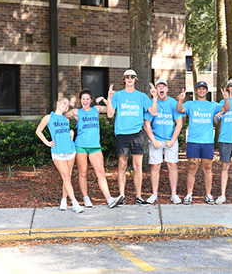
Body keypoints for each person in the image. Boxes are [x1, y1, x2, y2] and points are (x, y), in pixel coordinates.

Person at [65, 89, 124, 209]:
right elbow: (60, 116)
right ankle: (86, 198)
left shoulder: (96, 109)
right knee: (83, 173)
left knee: (101, 172)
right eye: (83, 99)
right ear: (80, 100)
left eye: (87, 99)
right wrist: (67, 106)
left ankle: (109, 199)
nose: (85, 101)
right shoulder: (76, 112)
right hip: (80, 145)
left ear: (91, 100)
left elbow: (112, 110)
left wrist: (105, 99)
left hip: (95, 146)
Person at [107, 69, 158, 206]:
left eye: (132, 76)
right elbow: (110, 114)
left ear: (135, 79)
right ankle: (122, 196)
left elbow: (153, 111)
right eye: (127, 76)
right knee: (122, 165)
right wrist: (110, 99)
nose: (129, 78)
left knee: (137, 166)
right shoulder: (118, 95)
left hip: (137, 134)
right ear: (124, 79)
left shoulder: (141, 96)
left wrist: (154, 97)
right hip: (122, 134)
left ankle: (138, 196)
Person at [176, 81, 230, 205]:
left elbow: (226, 108)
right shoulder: (190, 104)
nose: (201, 91)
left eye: (203, 89)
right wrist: (180, 99)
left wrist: (226, 99)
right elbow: (180, 109)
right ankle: (189, 194)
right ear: (196, 91)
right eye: (199, 89)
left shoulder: (212, 105)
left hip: (207, 142)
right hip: (194, 142)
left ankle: (208, 194)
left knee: (208, 169)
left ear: (207, 91)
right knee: (191, 169)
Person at [35, 98, 84, 213]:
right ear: (57, 103)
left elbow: (67, 132)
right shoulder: (48, 117)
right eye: (64, 103)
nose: (66, 105)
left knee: (67, 177)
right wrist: (47, 142)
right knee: (66, 176)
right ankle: (75, 203)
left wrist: (71, 133)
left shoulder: (66, 120)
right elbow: (38, 131)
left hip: (70, 150)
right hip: (58, 152)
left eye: (67, 105)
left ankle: (63, 200)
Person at [143, 79, 184, 204]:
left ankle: (173, 194)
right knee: (155, 167)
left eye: (164, 86)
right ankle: (154, 194)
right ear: (155, 90)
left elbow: (179, 123)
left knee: (172, 165)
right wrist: (154, 141)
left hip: (170, 140)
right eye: (159, 86)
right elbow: (147, 124)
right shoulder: (151, 103)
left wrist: (172, 140)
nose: (161, 88)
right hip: (156, 140)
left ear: (167, 89)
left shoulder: (173, 103)